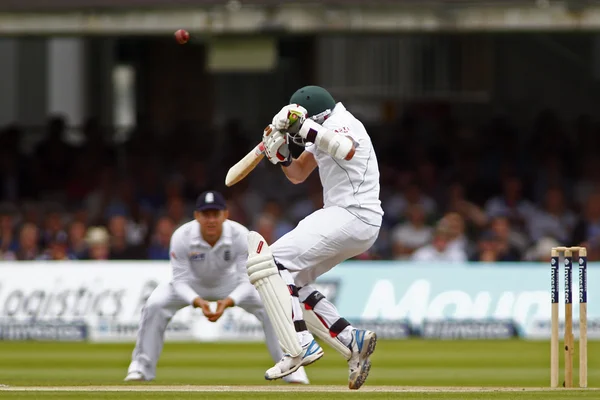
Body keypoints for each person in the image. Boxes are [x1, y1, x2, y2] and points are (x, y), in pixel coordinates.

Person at [247, 86, 382, 390]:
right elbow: (298, 173)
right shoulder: (325, 128)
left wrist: (302, 127)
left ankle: (298, 343)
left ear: (314, 117)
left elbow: (345, 149)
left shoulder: (341, 124)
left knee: (270, 263)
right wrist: (281, 156)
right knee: (291, 282)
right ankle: (351, 340)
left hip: (351, 214)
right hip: (353, 219)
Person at [125, 190, 308, 384]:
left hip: (230, 284)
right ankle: (141, 368)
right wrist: (198, 301)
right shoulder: (182, 236)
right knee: (155, 304)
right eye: (206, 214)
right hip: (192, 284)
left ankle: (293, 371)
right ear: (196, 216)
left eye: (215, 214)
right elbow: (179, 281)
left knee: (272, 304)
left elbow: (246, 280)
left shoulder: (240, 235)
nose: (211, 220)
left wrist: (228, 301)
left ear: (225, 215)